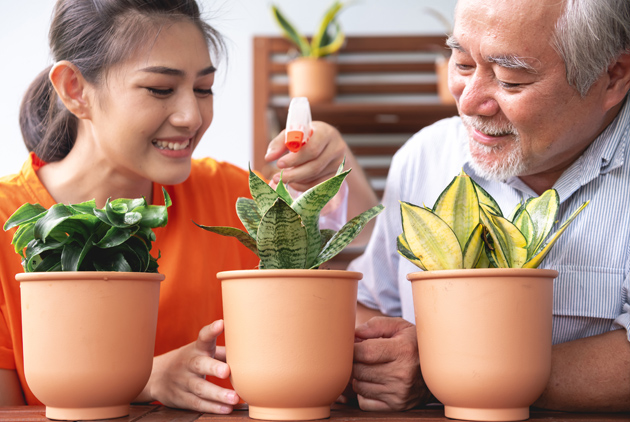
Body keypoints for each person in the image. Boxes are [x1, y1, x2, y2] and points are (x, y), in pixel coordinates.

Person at [0, 0, 377, 413]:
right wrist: (142, 378)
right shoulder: (7, 217)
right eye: (160, 89)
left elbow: (349, 278)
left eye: (203, 89)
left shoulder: (228, 197)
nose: (191, 116)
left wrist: (337, 159)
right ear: (75, 89)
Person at [348, 0, 630, 413]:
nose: (468, 101)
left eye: (510, 80)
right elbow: (373, 305)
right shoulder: (425, 155)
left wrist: (445, 371)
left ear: (612, 78)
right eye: (462, 63)